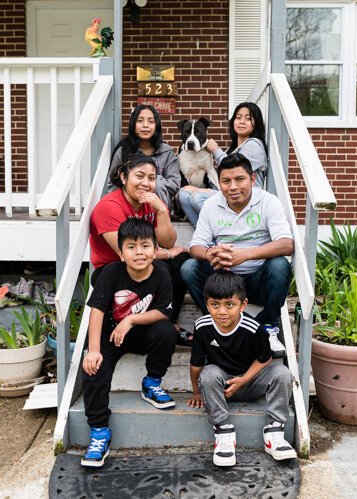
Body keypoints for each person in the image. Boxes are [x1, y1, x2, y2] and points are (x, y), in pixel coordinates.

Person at [81, 218, 178, 468]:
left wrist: (132, 319)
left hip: (142, 333)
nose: (139, 252)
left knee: (167, 331)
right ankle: (100, 431)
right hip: (111, 334)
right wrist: (93, 350)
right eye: (131, 247)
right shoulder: (111, 273)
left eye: (145, 246)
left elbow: (164, 312)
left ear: (155, 250)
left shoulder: (161, 274)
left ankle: (152, 383)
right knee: (94, 368)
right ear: (121, 253)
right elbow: (98, 311)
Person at [180, 153, 293, 358]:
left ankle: (267, 326)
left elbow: (286, 244)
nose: (232, 187)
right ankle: (217, 324)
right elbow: (195, 246)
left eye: (239, 179)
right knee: (189, 267)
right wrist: (209, 254)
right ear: (219, 183)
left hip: (258, 279)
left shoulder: (268, 202)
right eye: (226, 181)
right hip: (224, 279)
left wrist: (246, 255)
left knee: (279, 265)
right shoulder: (212, 205)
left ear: (252, 179)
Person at [187, 271, 296, 467]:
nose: (222, 311)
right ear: (206, 304)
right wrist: (196, 391)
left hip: (251, 381)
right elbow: (196, 365)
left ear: (243, 305)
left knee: (282, 373)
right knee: (209, 373)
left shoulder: (253, 328)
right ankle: (223, 432)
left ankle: (274, 433)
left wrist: (244, 380)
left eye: (230, 305)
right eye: (215, 305)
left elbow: (266, 359)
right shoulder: (202, 326)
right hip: (223, 387)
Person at [90, 153, 190, 334]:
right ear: (123, 177)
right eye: (139, 176)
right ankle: (143, 320)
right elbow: (125, 251)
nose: (146, 183)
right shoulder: (109, 207)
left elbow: (168, 242)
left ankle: (167, 318)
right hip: (113, 268)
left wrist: (161, 210)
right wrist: (167, 254)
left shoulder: (151, 202)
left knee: (182, 260)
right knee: (162, 265)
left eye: (151, 178)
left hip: (144, 262)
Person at [178, 102, 268, 225]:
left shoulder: (254, 145)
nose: (242, 121)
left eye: (248, 118)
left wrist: (215, 151)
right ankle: (209, 236)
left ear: (256, 123)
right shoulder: (233, 148)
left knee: (197, 197)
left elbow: (235, 170)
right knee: (183, 195)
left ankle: (225, 231)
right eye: (238, 117)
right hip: (229, 193)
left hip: (246, 198)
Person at [109, 104, 181, 208]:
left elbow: (174, 185)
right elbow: (112, 185)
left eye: (151, 121)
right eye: (140, 120)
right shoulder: (123, 151)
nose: (145, 125)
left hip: (159, 208)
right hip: (129, 209)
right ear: (133, 124)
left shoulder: (167, 152)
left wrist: (153, 179)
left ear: (157, 126)